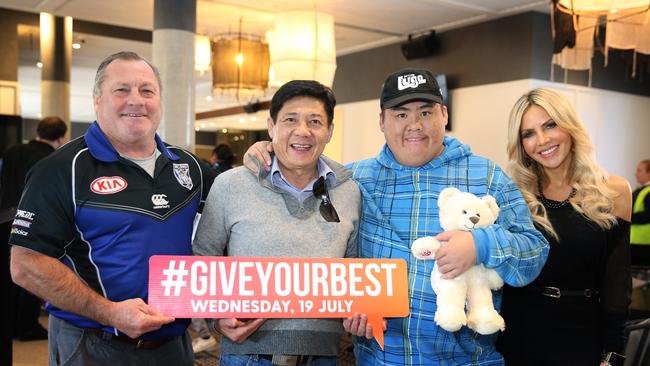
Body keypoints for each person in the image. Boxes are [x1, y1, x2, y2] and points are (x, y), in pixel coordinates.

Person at [244, 68, 549, 365]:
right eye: (401, 114)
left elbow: (534, 253)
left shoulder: (487, 176)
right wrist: (268, 150)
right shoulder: (352, 180)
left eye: (425, 113)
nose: (414, 125)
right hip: (379, 358)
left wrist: (480, 244)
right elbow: (299, 177)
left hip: (467, 359)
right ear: (382, 121)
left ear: (444, 115)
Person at [8, 51, 216, 366]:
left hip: (174, 345)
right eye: (122, 90)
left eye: (147, 90)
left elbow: (237, 210)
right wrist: (110, 313)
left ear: (160, 100)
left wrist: (265, 153)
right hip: (92, 345)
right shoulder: (62, 169)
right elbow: (25, 265)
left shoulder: (189, 167)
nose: (136, 100)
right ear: (97, 99)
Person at [193, 80, 360, 366]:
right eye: (290, 119)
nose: (302, 131)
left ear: (329, 131)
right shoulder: (230, 185)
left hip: (325, 357)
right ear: (271, 126)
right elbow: (202, 258)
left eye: (315, 121)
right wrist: (215, 318)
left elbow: (354, 269)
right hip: (246, 355)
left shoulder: (349, 191)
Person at [496, 88, 631, 366]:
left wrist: (613, 355)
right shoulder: (512, 195)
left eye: (550, 125)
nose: (542, 140)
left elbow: (617, 287)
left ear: (570, 126)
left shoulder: (613, 191)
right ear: (521, 144)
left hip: (580, 338)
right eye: (528, 133)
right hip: (518, 335)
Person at [631, 159, 650, 265]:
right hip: (636, 241)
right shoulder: (639, 191)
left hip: (645, 243)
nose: (636, 173)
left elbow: (648, 215)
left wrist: (628, 217)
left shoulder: (648, 192)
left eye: (639, 170)